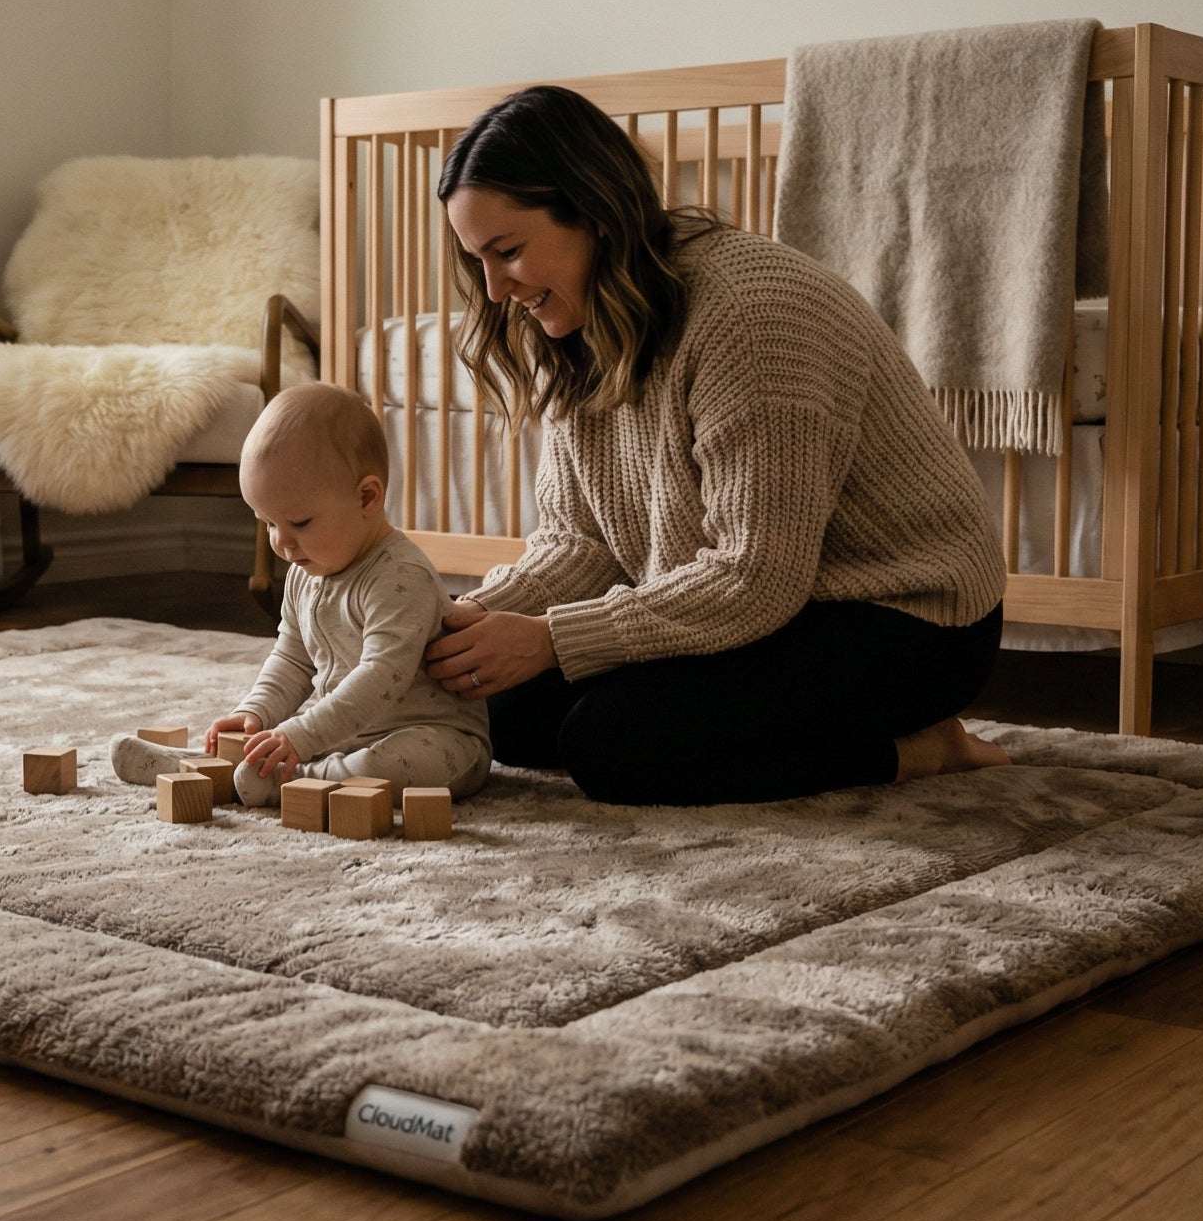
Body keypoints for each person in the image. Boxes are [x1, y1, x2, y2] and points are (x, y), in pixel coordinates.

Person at [420, 85, 1010, 805]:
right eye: (477, 259)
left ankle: (914, 748)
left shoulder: (752, 314)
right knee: (489, 707)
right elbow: (580, 542)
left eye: (507, 252)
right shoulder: (576, 321)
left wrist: (548, 640)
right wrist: (458, 624)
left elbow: (755, 576)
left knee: (614, 746)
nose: (495, 288)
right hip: (759, 608)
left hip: (906, 619)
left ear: (594, 211)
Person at [112, 382, 489, 805]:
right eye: (268, 524)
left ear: (367, 497)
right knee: (282, 737)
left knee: (394, 765)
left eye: (300, 523)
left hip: (436, 738)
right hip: (343, 731)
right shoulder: (304, 571)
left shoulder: (401, 577)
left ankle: (288, 779)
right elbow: (291, 658)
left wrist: (302, 734)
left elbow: (381, 677)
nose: (282, 544)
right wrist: (254, 714)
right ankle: (208, 767)